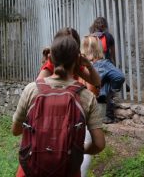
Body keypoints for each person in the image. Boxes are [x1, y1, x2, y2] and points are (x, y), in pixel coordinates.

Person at [12, 33, 105, 177]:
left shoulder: (31, 90)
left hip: (30, 171)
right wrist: (77, 148)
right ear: (77, 60)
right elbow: (99, 144)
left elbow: (16, 130)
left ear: (50, 58)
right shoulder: (86, 96)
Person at [81, 35, 124, 124]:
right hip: (99, 103)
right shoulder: (104, 64)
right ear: (99, 48)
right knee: (96, 127)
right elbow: (119, 77)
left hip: (82, 102)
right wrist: (113, 89)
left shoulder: (79, 63)